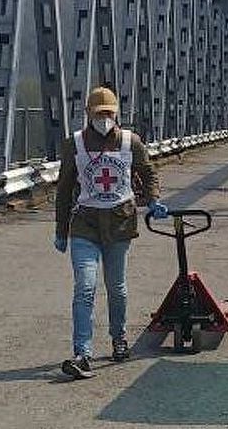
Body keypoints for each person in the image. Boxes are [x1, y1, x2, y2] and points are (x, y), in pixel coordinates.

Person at [53, 86, 168, 380]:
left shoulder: (131, 141)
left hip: (119, 223)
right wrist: (61, 230)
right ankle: (83, 353)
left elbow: (149, 171)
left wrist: (153, 198)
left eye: (108, 113)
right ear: (88, 114)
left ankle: (119, 339)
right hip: (85, 225)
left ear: (116, 114)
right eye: (98, 113)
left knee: (117, 289)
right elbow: (65, 189)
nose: (104, 118)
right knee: (85, 288)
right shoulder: (74, 144)